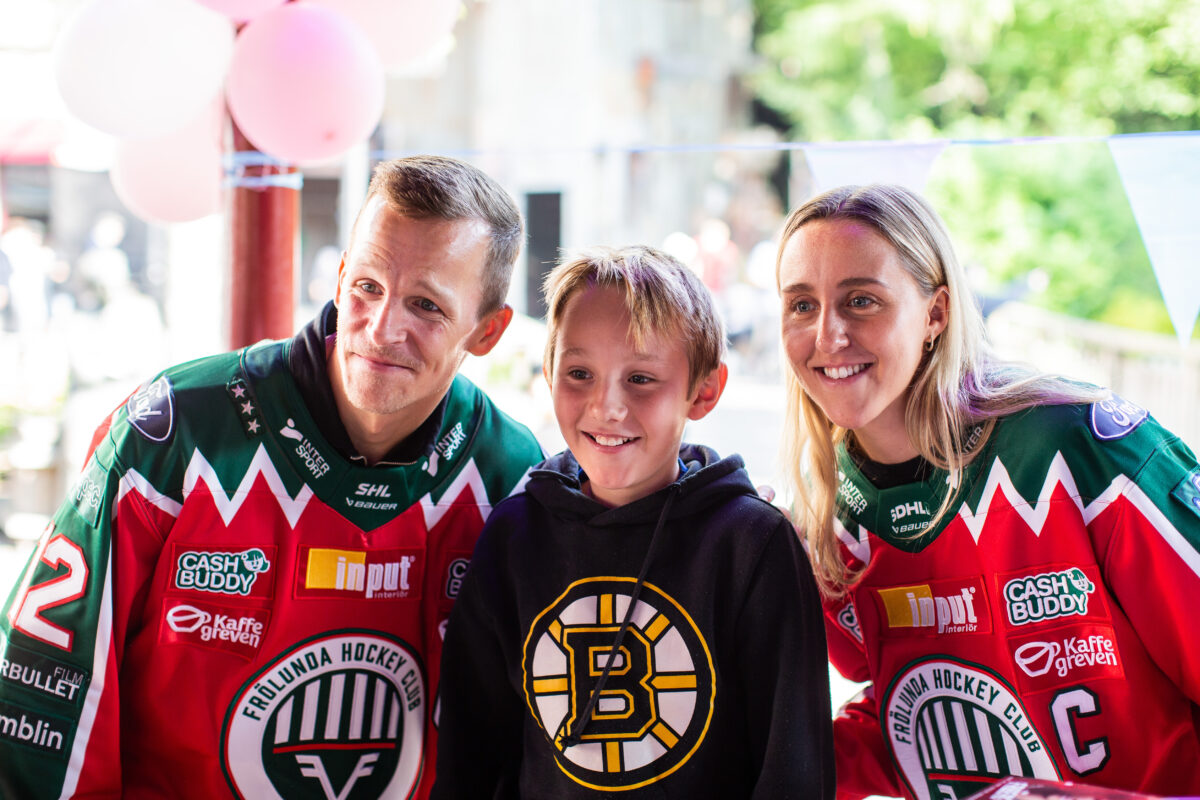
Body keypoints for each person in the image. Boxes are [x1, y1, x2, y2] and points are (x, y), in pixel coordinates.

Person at [0, 155, 545, 799]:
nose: (381, 325)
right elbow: (46, 699)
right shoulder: (176, 433)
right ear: (340, 280)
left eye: (425, 305)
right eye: (368, 286)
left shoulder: (507, 477)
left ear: (487, 332)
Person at [774, 183, 1200, 799]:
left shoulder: (1080, 445)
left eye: (861, 300)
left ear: (936, 313)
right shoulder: (825, 504)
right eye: (801, 306)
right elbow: (906, 716)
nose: (827, 336)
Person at [433, 245, 835, 798]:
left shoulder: (752, 545)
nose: (607, 407)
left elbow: (793, 769)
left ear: (705, 390)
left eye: (641, 378)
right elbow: (472, 758)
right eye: (579, 373)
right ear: (548, 372)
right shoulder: (512, 536)